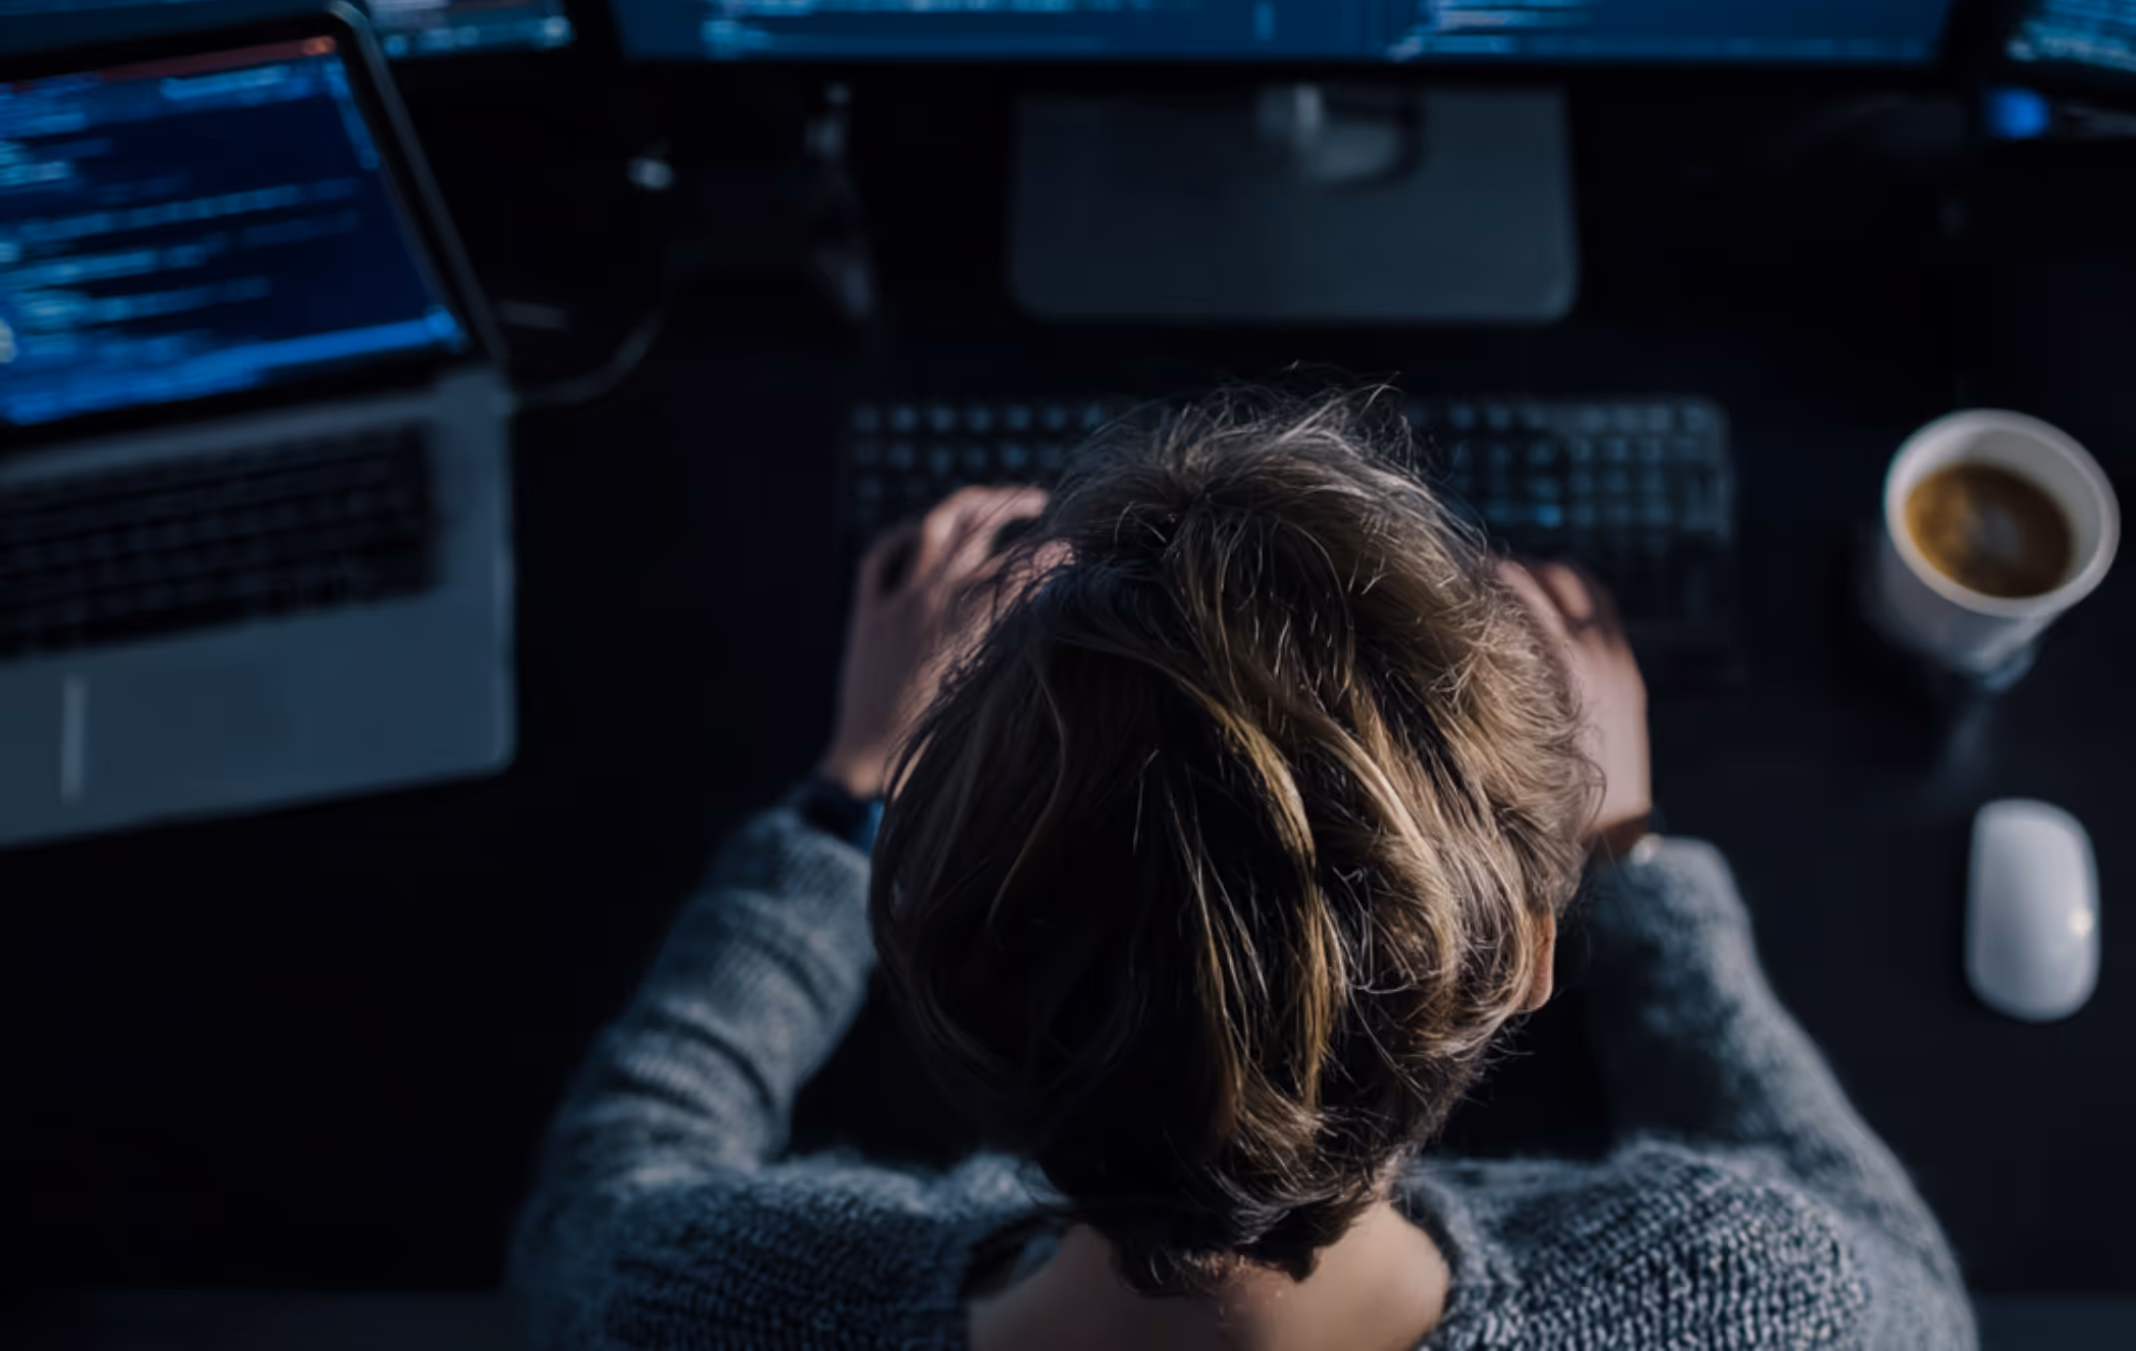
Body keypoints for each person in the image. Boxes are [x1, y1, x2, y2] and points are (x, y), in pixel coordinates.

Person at [512, 393, 1975, 1350]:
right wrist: (1628, 858)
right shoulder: (1743, 1302)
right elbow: (1918, 1293)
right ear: (1530, 955)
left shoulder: (722, 1314)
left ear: (934, 965)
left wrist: (848, 806)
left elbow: (593, 1207)